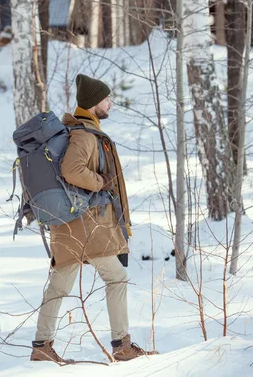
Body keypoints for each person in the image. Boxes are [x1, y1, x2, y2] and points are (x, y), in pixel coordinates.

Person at [30, 75, 158, 363]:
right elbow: (71, 169)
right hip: (87, 225)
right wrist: (100, 182)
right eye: (106, 98)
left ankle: (41, 345)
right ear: (94, 103)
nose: (110, 102)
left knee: (59, 285)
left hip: (70, 225)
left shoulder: (77, 130)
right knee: (117, 277)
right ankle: (121, 345)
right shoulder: (84, 135)